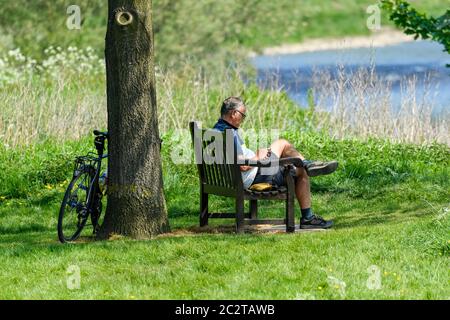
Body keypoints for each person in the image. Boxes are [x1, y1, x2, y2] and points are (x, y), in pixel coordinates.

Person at [213, 96, 338, 229]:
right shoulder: (229, 133)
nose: (243, 119)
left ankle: (307, 163)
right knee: (299, 169)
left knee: (282, 147)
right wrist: (258, 157)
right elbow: (243, 166)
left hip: (239, 177)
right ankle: (308, 217)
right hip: (253, 176)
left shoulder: (216, 130)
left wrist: (260, 154)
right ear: (234, 113)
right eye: (243, 115)